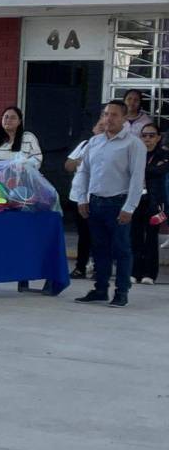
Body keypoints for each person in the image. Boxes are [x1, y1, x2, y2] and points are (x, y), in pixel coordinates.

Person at [72, 100, 146, 308]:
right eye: (106, 114)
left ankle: (121, 292)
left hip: (118, 203)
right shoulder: (94, 142)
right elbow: (83, 172)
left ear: (124, 118)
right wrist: (82, 198)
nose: (108, 119)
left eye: (114, 115)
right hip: (95, 202)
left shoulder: (133, 144)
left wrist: (129, 207)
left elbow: (137, 178)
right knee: (99, 249)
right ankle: (100, 289)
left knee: (121, 249)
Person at [65, 113, 106, 279]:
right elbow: (68, 165)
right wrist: (80, 162)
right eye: (100, 126)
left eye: (105, 127)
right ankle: (80, 267)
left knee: (100, 234)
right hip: (79, 196)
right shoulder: (84, 145)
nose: (102, 129)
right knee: (83, 234)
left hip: (100, 196)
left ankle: (99, 267)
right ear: (94, 128)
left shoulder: (112, 147)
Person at [131, 123, 168, 284]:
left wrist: (142, 170)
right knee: (135, 236)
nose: (147, 139)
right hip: (136, 199)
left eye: (151, 135)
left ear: (158, 138)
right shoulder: (135, 153)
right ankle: (134, 272)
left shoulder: (164, 154)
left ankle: (149, 274)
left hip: (155, 202)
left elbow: (160, 170)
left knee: (152, 237)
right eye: (144, 135)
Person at [0, 106, 42, 172]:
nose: (8, 120)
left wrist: (22, 167)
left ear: (19, 121)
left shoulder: (29, 138)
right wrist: (3, 169)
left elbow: (37, 158)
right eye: (6, 117)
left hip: (22, 177)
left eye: (13, 118)